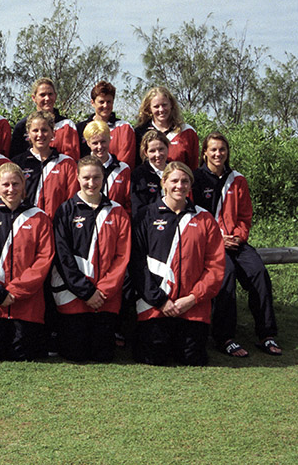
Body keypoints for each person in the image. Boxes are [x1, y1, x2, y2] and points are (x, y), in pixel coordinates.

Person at [192, 132, 282, 357]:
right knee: (226, 275)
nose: (217, 154)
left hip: (236, 242)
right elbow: (192, 216)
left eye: (222, 149)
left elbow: (245, 215)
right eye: (213, 149)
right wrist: (216, 240)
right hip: (210, 244)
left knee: (259, 273)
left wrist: (238, 237)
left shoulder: (237, 179)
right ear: (205, 152)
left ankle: (266, 334)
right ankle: (225, 337)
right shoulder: (195, 179)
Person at [130, 162, 225, 366]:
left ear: (191, 185)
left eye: (185, 181)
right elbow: (137, 263)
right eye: (174, 181)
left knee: (192, 359)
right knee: (155, 357)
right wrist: (161, 301)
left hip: (192, 306)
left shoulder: (205, 219)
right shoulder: (145, 215)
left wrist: (192, 299)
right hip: (155, 305)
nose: (179, 186)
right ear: (164, 182)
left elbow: (215, 267)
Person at [0, 163, 53, 360]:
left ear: (24, 185)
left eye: (16, 184)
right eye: (5, 184)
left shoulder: (39, 218)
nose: (11, 189)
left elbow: (43, 260)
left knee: (22, 355)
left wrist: (14, 291)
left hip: (26, 306)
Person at [49, 156, 131, 362]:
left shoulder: (117, 212)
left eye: (96, 178)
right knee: (75, 354)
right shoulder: (66, 210)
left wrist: (102, 291)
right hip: (72, 296)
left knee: (102, 355)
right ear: (77, 178)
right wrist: (85, 292)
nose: (91, 183)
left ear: (103, 178)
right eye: (86, 178)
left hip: (105, 298)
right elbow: (62, 255)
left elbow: (122, 257)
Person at [11, 111, 78, 221]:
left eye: (45, 130)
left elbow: (72, 201)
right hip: (24, 225)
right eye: (35, 130)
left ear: (53, 133)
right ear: (28, 133)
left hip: (57, 227)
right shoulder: (17, 163)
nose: (40, 135)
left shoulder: (67, 164)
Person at [10, 78, 79, 160]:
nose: (47, 98)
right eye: (42, 95)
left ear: (55, 96)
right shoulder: (22, 126)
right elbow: (15, 159)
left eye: (50, 94)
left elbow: (73, 158)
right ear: (34, 98)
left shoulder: (67, 125)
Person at [134, 86, 199, 171]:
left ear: (171, 105)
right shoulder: (139, 133)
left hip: (179, 183)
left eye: (164, 105)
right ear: (149, 108)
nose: (161, 109)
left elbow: (193, 168)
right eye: (156, 106)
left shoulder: (186, 131)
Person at [77, 80, 136, 168]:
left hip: (115, 177)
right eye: (101, 102)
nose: (105, 106)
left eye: (109, 102)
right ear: (92, 103)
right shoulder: (80, 128)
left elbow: (126, 160)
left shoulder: (124, 128)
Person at [82, 120, 131, 214]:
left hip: (116, 221)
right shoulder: (81, 168)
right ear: (88, 143)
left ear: (109, 139)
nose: (100, 147)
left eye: (103, 141)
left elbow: (128, 203)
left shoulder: (123, 169)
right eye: (95, 143)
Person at [130, 130, 170, 222]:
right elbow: (137, 209)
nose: (158, 154)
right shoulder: (138, 175)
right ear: (145, 153)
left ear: (167, 148)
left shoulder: (175, 172)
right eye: (152, 151)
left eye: (161, 149)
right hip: (149, 224)